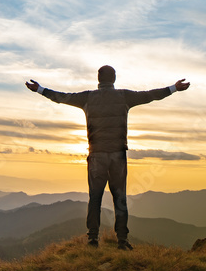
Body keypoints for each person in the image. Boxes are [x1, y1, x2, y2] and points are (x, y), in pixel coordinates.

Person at [25, 65, 190, 249]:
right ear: (114, 78)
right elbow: (150, 95)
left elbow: (62, 97)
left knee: (95, 198)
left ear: (98, 78)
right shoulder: (124, 96)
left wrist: (39, 89)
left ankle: (93, 239)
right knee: (120, 198)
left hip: (96, 156)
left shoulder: (87, 97)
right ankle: (122, 240)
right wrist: (174, 88)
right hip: (118, 156)